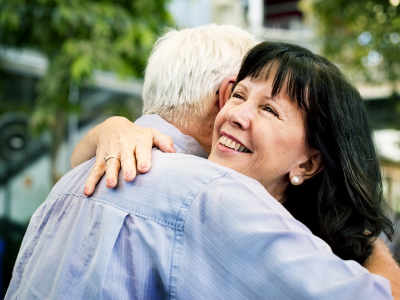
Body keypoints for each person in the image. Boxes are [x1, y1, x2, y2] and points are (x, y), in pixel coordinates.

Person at [6, 25, 399, 299]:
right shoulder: (212, 195)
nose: (240, 114)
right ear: (225, 93)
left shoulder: (74, 178)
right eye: (241, 95)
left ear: (310, 163)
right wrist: (366, 241)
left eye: (270, 109)